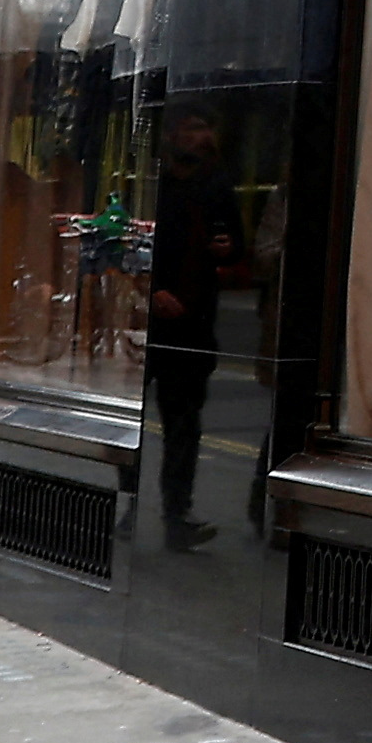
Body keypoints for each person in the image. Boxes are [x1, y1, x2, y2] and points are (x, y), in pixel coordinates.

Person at [141, 105, 251, 552]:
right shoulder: (153, 183)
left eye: (204, 127)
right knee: (131, 414)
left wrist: (227, 248)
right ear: (171, 135)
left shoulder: (216, 183)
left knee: (184, 423)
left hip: (193, 320)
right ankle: (128, 503)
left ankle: (177, 514)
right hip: (150, 316)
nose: (198, 137)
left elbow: (237, 247)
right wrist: (152, 291)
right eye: (190, 128)